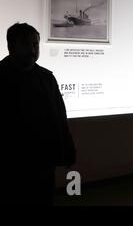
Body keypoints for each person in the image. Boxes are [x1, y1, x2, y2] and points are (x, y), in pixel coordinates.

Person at [0, 23, 76, 205]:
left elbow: (59, 115)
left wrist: (68, 148)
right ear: (11, 47)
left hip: (42, 161)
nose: (32, 50)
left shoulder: (46, 78)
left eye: (35, 45)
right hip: (10, 163)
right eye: (26, 44)